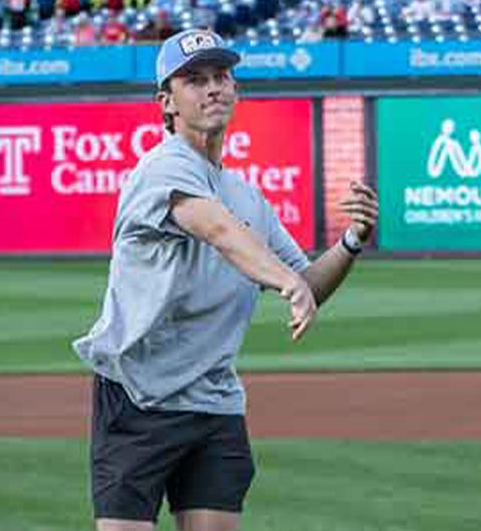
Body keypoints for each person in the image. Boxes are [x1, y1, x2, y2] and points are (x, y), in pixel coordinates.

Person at [72, 28, 378, 531]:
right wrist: (288, 283)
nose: (213, 87)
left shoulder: (246, 197)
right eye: (194, 80)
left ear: (236, 90)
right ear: (166, 101)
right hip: (138, 397)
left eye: (221, 76)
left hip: (214, 402)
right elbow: (215, 229)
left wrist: (351, 241)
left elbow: (307, 281)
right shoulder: (162, 168)